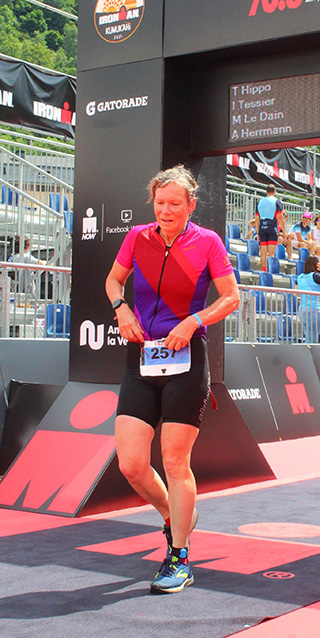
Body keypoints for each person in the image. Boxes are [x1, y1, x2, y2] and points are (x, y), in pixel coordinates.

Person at [105, 165, 239, 594]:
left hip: (187, 358)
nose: (166, 211)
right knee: (131, 463)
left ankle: (178, 555)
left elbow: (231, 297)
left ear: (190, 205)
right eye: (160, 203)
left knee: (176, 462)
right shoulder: (137, 237)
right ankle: (175, 515)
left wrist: (194, 321)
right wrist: (121, 309)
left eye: (174, 204)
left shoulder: (207, 242)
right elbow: (113, 280)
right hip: (142, 358)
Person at [295, 254, 320, 343]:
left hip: (302, 309)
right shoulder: (315, 276)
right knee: (312, 339)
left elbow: (295, 293)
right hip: (314, 309)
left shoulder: (300, 277)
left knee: (308, 335)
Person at [254, 184, 285, 271]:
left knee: (263, 253)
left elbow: (256, 219)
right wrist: (284, 231)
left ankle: (264, 270)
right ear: (275, 192)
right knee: (271, 253)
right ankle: (269, 271)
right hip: (272, 227)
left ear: (266, 192)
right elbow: (279, 217)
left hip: (262, 227)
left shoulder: (260, 202)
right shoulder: (276, 201)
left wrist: (258, 232)